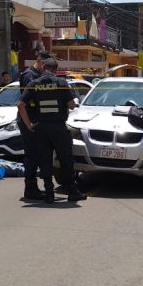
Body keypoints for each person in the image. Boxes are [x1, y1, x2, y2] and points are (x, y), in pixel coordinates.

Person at [16, 56, 86, 203]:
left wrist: (28, 124)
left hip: (41, 128)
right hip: (58, 128)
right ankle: (72, 191)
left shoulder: (34, 83)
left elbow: (20, 105)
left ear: (43, 68)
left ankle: (49, 193)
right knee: (66, 159)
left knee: (45, 160)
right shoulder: (61, 83)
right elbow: (72, 105)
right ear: (56, 69)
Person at [18, 55, 48, 197]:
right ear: (42, 63)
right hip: (28, 120)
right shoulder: (29, 75)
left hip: (34, 119)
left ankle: (32, 187)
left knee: (36, 154)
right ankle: (30, 189)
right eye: (46, 66)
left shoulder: (36, 74)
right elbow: (29, 99)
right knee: (31, 155)